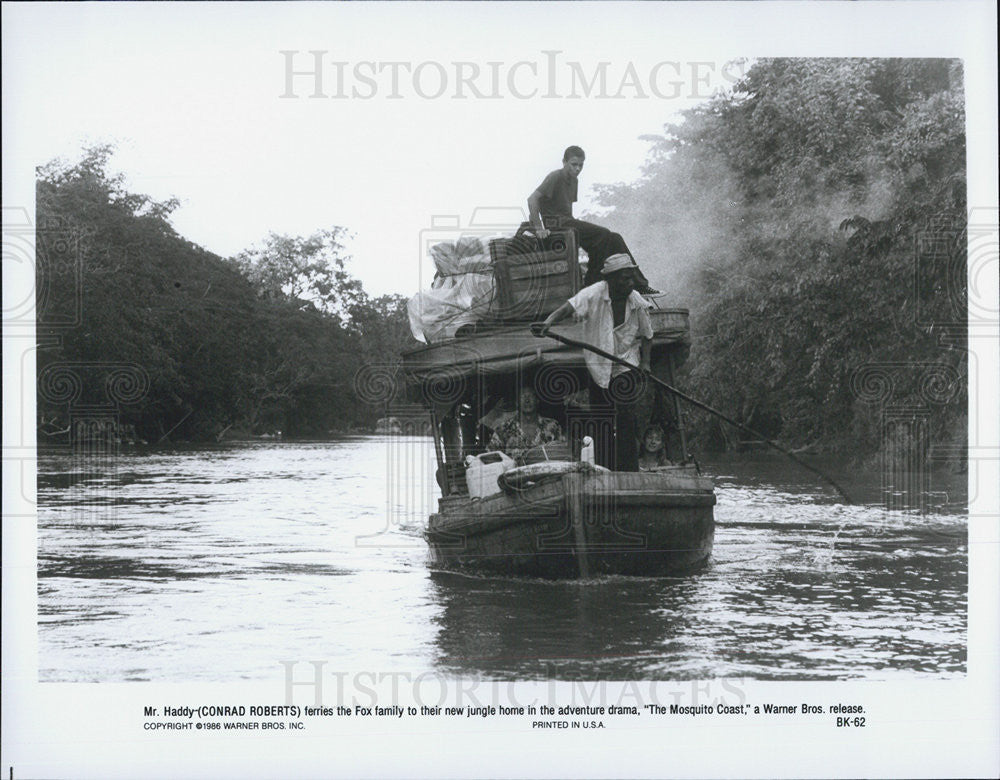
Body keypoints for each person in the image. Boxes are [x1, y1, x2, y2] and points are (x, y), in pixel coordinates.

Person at [538, 253, 653, 472]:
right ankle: (604, 468)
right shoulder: (595, 293)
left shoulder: (636, 301)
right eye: (624, 279)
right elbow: (570, 306)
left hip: (625, 363)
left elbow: (647, 336)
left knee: (627, 415)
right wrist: (549, 322)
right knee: (602, 419)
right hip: (599, 363)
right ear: (611, 279)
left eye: (631, 278)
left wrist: (645, 363)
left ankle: (628, 470)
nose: (630, 283)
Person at [528, 145, 659, 294]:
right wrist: (539, 228)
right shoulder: (555, 176)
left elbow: (567, 210)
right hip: (558, 226)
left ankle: (640, 284)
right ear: (564, 162)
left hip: (569, 223)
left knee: (614, 238)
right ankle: (591, 283)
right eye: (573, 164)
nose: (577, 169)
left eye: (580, 165)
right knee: (603, 234)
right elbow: (532, 199)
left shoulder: (574, 181)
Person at [487, 384, 563, 461]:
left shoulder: (552, 426)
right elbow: (491, 458)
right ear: (517, 402)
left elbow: (562, 454)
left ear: (537, 401)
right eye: (523, 396)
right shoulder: (503, 429)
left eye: (531, 396)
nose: (527, 400)